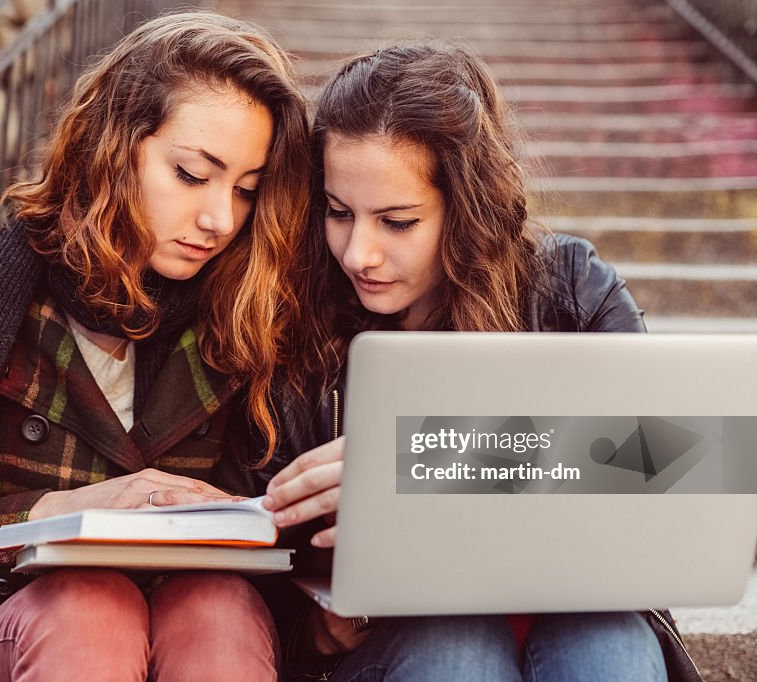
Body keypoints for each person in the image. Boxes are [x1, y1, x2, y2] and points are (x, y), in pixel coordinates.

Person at [0, 11, 312, 682]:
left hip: (189, 634)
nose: (220, 219)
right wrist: (51, 515)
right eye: (191, 174)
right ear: (112, 145)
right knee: (93, 607)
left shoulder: (246, 312)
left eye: (246, 190)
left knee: (218, 608)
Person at [260, 41, 703, 681]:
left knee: (609, 645)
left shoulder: (571, 290)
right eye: (338, 213)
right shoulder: (298, 325)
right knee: (457, 646)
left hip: (582, 609)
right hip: (401, 645)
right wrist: (318, 628)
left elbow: (666, 460)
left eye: (397, 222)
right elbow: (263, 538)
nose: (358, 253)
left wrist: (420, 460)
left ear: (465, 208)